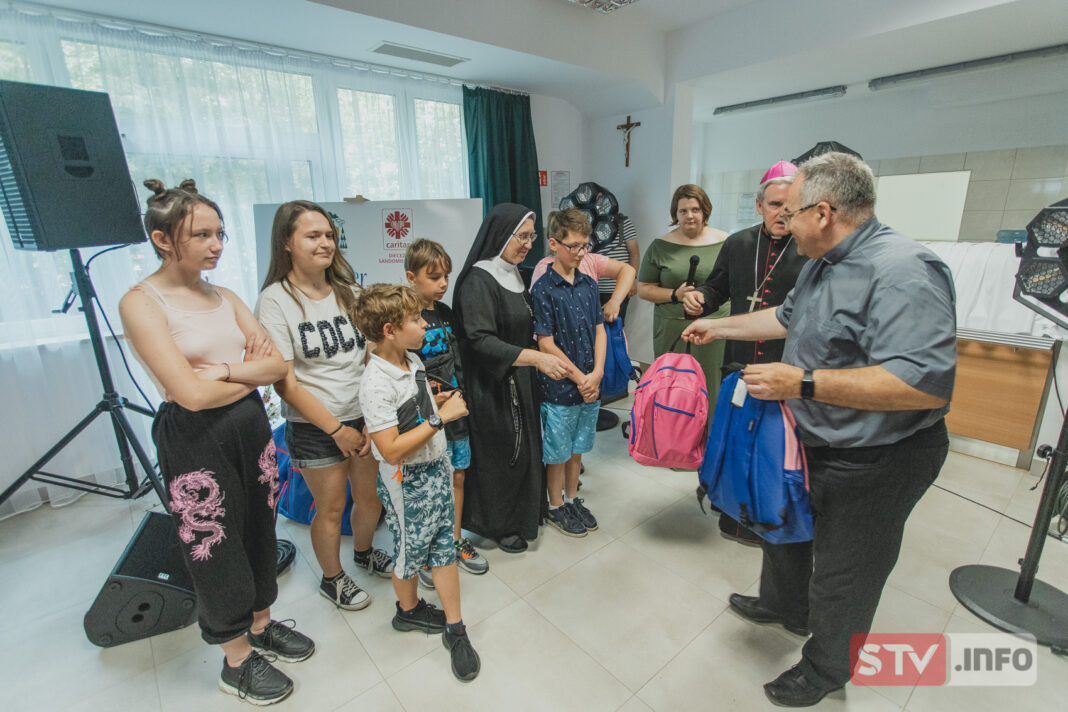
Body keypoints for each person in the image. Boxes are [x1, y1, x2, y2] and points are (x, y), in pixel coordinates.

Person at [681, 152, 956, 707]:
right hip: (815, 440)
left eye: (793, 212)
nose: (784, 224)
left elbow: (923, 384)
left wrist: (801, 383)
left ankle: (827, 669)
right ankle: (785, 606)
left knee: (844, 570)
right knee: (789, 531)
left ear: (825, 212)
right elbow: (785, 319)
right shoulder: (822, 262)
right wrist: (717, 324)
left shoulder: (902, 270)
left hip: (879, 456)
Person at [119, 180, 314, 705]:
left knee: (259, 529)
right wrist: (245, 371)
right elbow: (189, 394)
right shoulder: (142, 302)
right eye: (201, 234)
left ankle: (261, 623)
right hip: (194, 437)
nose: (216, 245)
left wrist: (225, 370)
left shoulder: (224, 296)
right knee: (212, 542)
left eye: (220, 233)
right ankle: (236, 659)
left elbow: (277, 365)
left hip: (249, 424)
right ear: (163, 239)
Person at [256, 200, 392, 613]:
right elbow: (286, 384)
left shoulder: (349, 292)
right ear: (286, 243)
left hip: (364, 417)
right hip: (317, 426)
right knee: (331, 508)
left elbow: (373, 355)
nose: (325, 243)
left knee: (370, 500)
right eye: (312, 236)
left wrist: (371, 418)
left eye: (329, 235)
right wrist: (338, 430)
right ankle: (332, 579)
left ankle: (365, 552)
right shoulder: (275, 300)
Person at [353, 283, 480, 682]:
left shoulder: (412, 360)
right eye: (415, 319)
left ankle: (455, 628)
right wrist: (442, 418)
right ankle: (406, 612)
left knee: (443, 547)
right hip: (407, 481)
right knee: (411, 552)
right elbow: (390, 449)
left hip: (436, 466)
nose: (425, 324)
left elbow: (415, 411)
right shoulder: (375, 383)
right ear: (390, 329)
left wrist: (437, 404)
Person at [683, 161, 807, 546]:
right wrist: (700, 298)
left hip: (783, 364)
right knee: (736, 440)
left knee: (772, 449)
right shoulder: (738, 243)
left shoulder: (808, 249)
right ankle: (731, 511)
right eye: (773, 205)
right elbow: (716, 287)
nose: (782, 213)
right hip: (737, 359)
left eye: (789, 206)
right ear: (759, 206)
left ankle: (768, 516)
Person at [453, 204, 569, 553]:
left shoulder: (515, 273)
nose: (528, 244)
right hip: (492, 385)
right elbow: (480, 339)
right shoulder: (479, 279)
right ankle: (498, 524)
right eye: (523, 236)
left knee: (521, 451)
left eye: (532, 237)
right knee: (502, 453)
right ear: (501, 234)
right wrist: (536, 358)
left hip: (520, 381)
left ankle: (521, 515)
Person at [403, 239, 489, 587]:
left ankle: (452, 543)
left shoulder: (447, 313)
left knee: (458, 476)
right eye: (433, 276)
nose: (442, 283)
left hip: (457, 413)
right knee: (426, 486)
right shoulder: (403, 317)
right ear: (411, 276)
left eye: (446, 276)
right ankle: (424, 552)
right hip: (424, 419)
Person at [530, 209, 606, 537]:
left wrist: (598, 373)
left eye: (584, 246)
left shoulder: (589, 285)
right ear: (554, 244)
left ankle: (572, 498)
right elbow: (545, 343)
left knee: (577, 448)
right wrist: (580, 377)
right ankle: (555, 505)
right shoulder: (544, 288)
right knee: (558, 452)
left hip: (591, 383)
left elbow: (600, 330)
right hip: (561, 387)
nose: (579, 253)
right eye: (573, 246)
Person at [637, 184, 731, 404]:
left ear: (705, 211)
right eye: (683, 211)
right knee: (672, 387)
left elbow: (734, 284)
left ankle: (710, 436)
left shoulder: (726, 242)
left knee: (712, 386)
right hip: (673, 327)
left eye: (695, 209)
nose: (690, 216)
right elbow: (643, 289)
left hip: (714, 327)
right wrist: (675, 294)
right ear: (675, 214)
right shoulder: (660, 246)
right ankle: (673, 434)